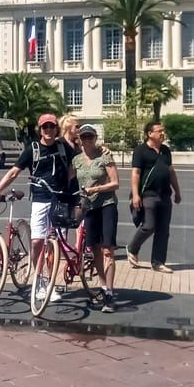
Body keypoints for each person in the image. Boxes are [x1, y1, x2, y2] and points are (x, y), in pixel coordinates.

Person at [0, 113, 77, 302]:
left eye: (52, 127)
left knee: (55, 245)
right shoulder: (33, 149)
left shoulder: (64, 147)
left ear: (56, 129)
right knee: (38, 241)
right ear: (40, 129)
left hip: (61, 201)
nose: (49, 130)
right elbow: (14, 172)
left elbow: (77, 164)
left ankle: (50, 283)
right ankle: (39, 281)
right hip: (40, 199)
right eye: (45, 127)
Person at [73, 124, 121, 312]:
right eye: (84, 137)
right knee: (95, 250)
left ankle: (109, 292)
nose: (87, 140)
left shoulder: (105, 156)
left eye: (90, 137)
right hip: (89, 208)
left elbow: (115, 183)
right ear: (80, 139)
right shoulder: (76, 160)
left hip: (107, 205)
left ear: (95, 138)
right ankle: (102, 286)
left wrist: (96, 189)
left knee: (108, 249)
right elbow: (68, 178)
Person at [127, 121, 181, 274]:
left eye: (163, 131)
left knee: (163, 230)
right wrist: (136, 195)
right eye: (159, 131)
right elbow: (135, 173)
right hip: (148, 195)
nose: (162, 133)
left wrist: (177, 191)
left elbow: (171, 172)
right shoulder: (140, 151)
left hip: (164, 195)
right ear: (150, 134)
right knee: (149, 225)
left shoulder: (165, 151)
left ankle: (158, 262)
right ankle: (132, 247)